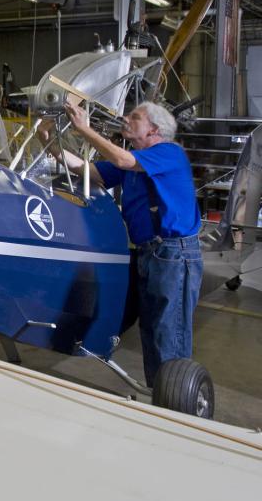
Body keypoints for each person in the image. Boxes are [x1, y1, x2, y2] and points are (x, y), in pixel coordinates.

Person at [40, 101, 202, 386]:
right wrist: (51, 144)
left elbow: (121, 161)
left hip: (174, 253)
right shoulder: (135, 160)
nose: (126, 119)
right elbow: (89, 170)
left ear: (154, 129)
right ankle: (161, 393)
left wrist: (85, 129)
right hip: (149, 252)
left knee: (169, 328)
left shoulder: (167, 153)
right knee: (151, 328)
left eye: (135, 117)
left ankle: (176, 399)